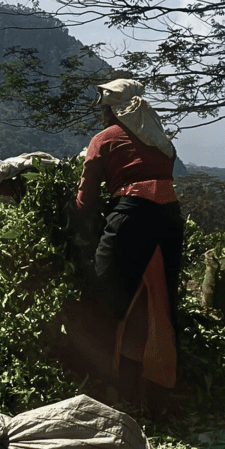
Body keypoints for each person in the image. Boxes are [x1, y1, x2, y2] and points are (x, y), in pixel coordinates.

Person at [72, 78, 184, 396]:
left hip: (132, 215)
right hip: (170, 220)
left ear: (112, 111)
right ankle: (155, 387)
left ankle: (100, 384)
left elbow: (86, 197)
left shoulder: (105, 139)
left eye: (104, 110)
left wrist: (77, 227)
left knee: (103, 296)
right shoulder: (160, 140)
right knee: (159, 299)